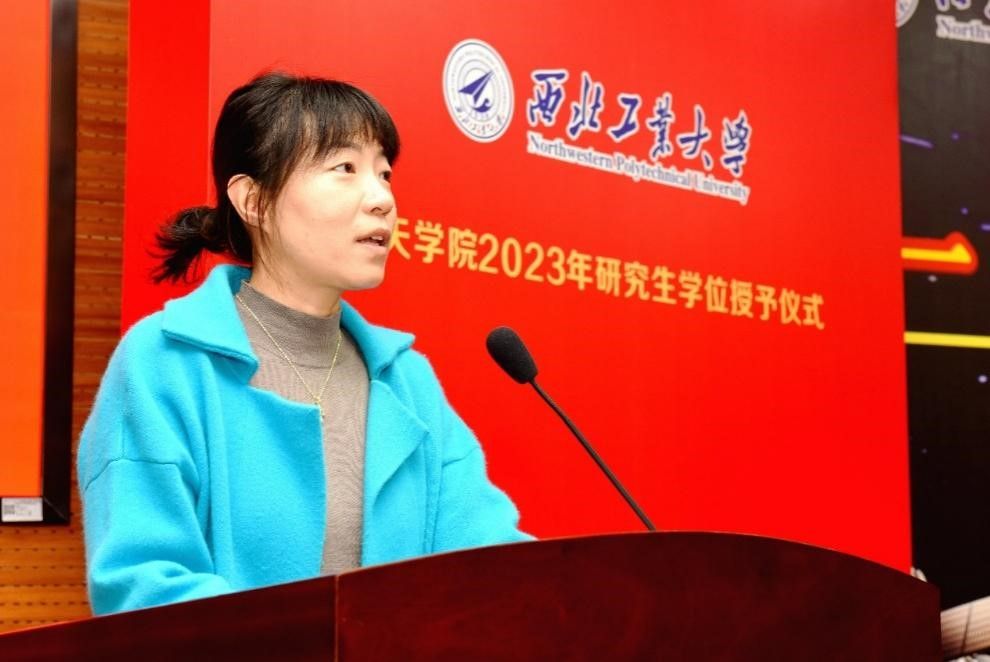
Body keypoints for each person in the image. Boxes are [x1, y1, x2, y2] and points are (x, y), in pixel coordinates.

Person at [77, 72, 531, 616]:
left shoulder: (407, 379)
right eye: (345, 169)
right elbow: (143, 584)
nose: (382, 199)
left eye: (384, 173)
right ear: (253, 200)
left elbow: (492, 564)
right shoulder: (165, 362)